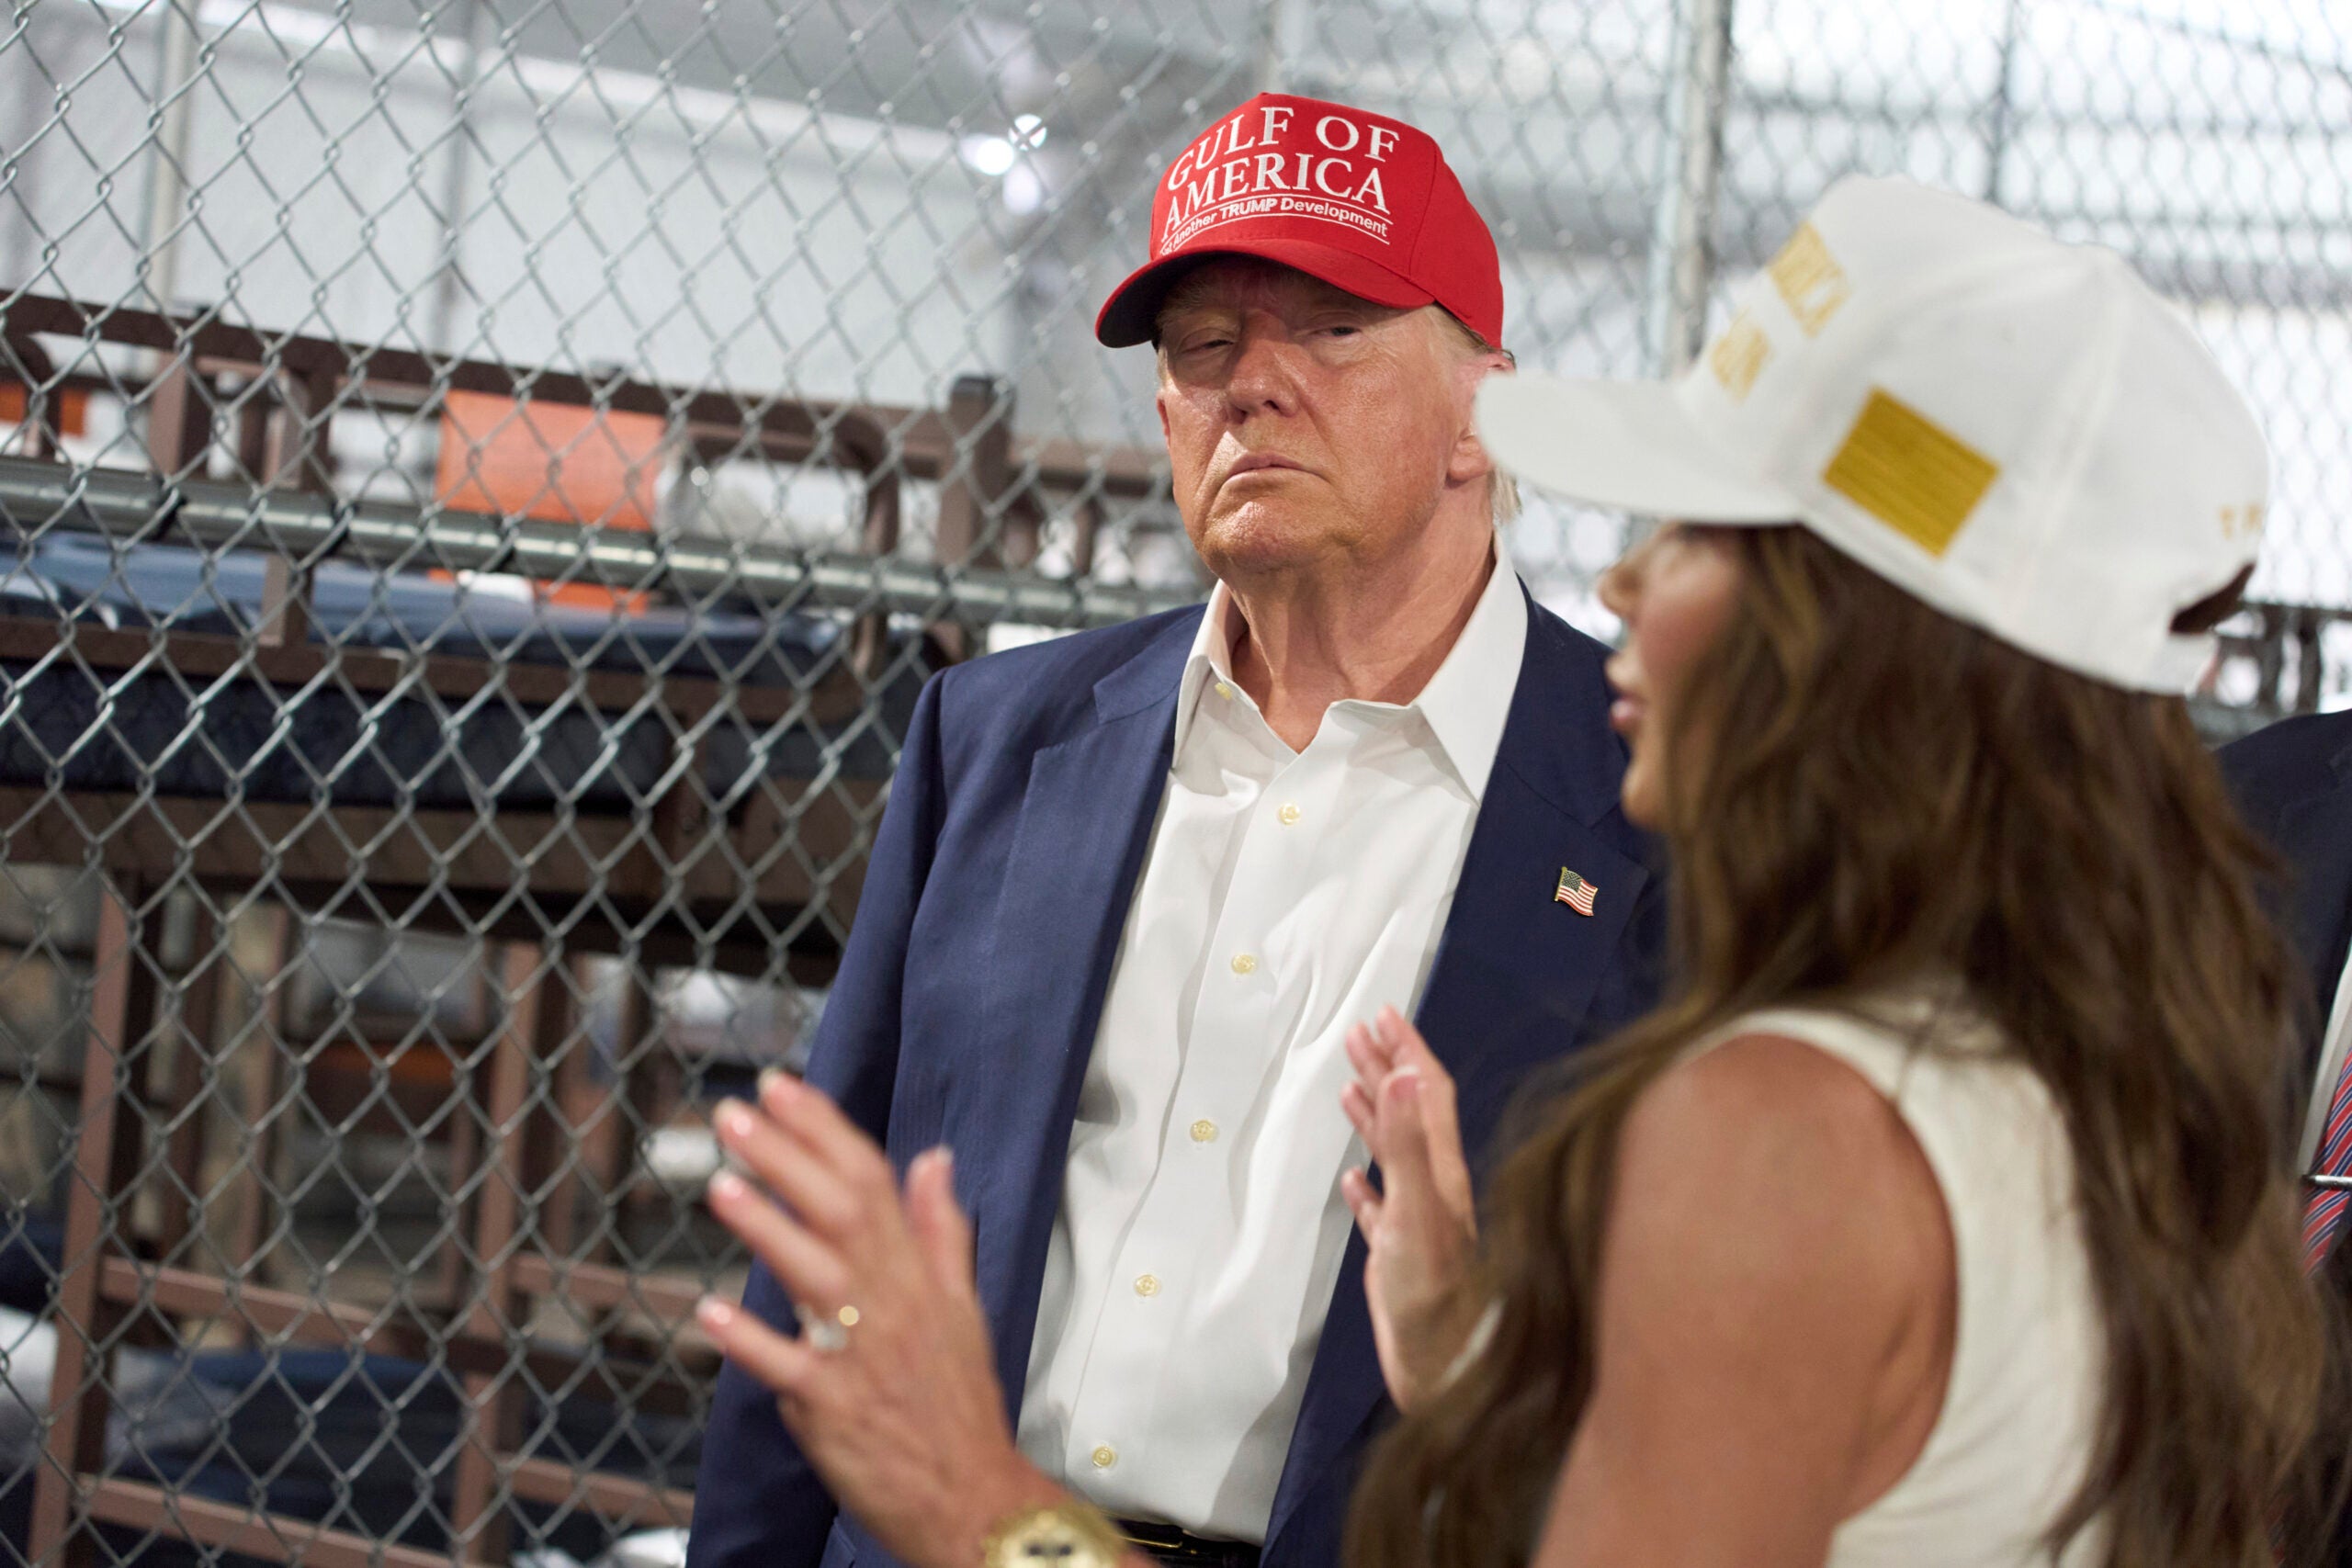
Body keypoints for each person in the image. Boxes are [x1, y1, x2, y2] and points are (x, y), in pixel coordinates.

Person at [691, 175, 2335, 1568]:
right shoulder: (2065, 1083)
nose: (1623, 575)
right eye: (1207, 346)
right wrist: (1489, 1388)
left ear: (1847, 638)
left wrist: (987, 1515)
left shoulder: (1791, 1131)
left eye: (1692, 528)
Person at [684, 92, 1667, 1568]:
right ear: (1163, 416)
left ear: (1485, 414)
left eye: (1333, 327)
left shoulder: (1660, 796)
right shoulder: (995, 742)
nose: (1252, 382)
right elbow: (829, 1265)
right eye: (1203, 345)